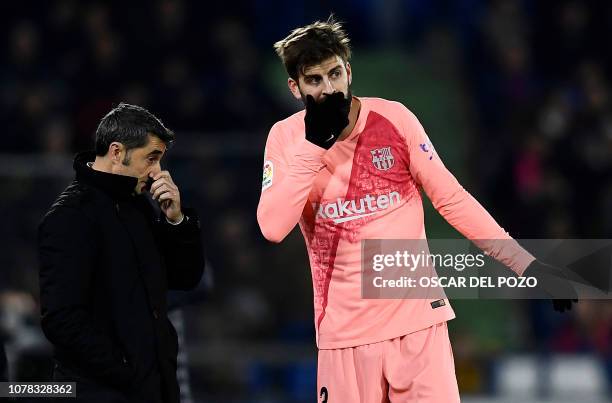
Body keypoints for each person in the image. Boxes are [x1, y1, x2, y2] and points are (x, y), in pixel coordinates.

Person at [257, 17, 576, 402]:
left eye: (335, 74)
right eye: (314, 81)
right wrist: (314, 146)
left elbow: (452, 199)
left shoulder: (395, 119)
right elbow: (273, 227)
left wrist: (526, 265)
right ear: (295, 87)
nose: (329, 90)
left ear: (349, 71)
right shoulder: (287, 139)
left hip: (419, 326)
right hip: (345, 337)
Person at [38, 103, 205, 403]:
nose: (158, 172)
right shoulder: (70, 216)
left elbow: (186, 277)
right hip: (100, 392)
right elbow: (61, 319)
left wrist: (176, 221)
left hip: (152, 389)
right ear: (117, 152)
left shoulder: (140, 207)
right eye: (151, 159)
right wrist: (125, 369)